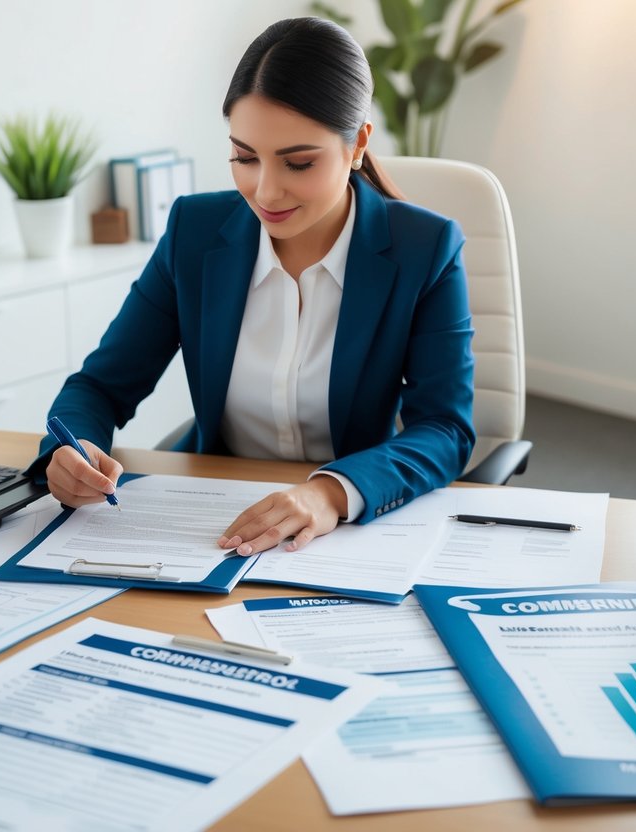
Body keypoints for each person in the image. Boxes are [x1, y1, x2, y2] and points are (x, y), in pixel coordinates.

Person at [29, 17, 475, 556]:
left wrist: (331, 493)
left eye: (299, 162)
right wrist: (72, 450)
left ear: (357, 144)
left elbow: (445, 429)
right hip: (215, 518)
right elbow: (100, 387)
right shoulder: (194, 234)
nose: (264, 191)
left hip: (348, 527)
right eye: (244, 157)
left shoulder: (424, 247)